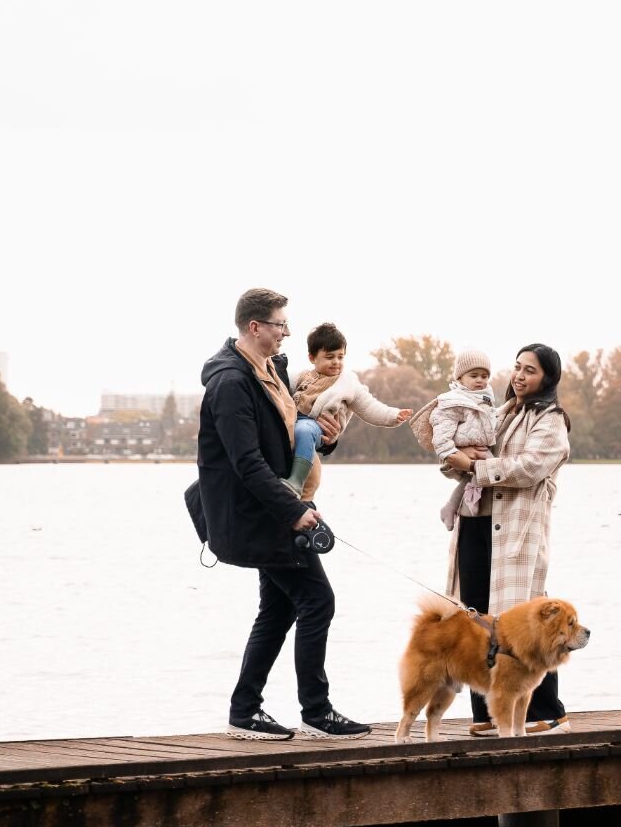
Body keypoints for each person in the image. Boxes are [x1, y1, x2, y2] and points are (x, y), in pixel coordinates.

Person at [196, 287, 371, 742]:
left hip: (274, 508)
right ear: (255, 327)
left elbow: (289, 441)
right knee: (317, 600)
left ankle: (244, 710)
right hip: (260, 514)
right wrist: (294, 512)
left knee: (276, 610)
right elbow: (246, 462)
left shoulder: (272, 370)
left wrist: (325, 440)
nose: (286, 333)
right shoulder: (231, 382)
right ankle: (316, 712)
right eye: (280, 325)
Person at [442, 342, 572, 736]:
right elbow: (464, 456)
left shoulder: (551, 420)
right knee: (475, 619)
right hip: (476, 522)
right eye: (516, 367)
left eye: (529, 370)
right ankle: (487, 713)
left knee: (526, 624)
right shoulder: (499, 413)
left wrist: (475, 465)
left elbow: (529, 468)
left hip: (516, 532)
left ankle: (548, 714)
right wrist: (456, 455)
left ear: (547, 378)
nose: (519, 375)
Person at [281, 321, 412, 496]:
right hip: (295, 421)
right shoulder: (301, 376)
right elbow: (279, 385)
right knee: (296, 429)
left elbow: (369, 407)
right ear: (312, 358)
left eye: (340, 357)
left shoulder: (347, 382)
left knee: (303, 430)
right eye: (329, 357)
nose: (336, 362)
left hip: (317, 425)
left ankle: (296, 481)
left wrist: (394, 415)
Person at [407, 346, 497, 530]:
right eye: (474, 375)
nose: (480, 380)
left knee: (479, 474)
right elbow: (442, 429)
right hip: (460, 450)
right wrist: (449, 452)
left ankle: (451, 507)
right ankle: (471, 508)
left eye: (484, 376)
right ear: (460, 378)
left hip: (479, 447)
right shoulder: (453, 401)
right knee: (494, 469)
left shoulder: (484, 397)